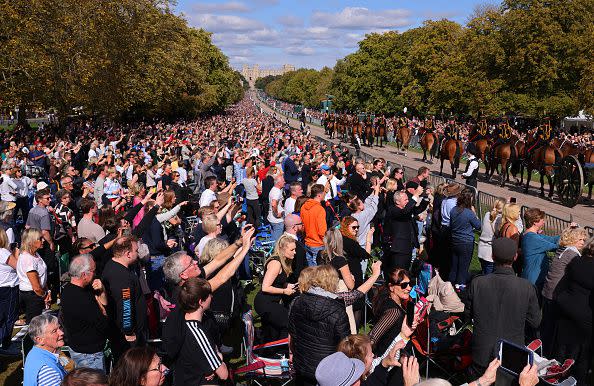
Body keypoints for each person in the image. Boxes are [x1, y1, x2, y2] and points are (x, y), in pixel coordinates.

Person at [465, 238, 541, 379]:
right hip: (511, 356)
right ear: (515, 257)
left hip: (482, 352)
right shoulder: (527, 287)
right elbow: (535, 322)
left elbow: (467, 316)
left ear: (492, 256)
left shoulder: (478, 283)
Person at [288, 265, 351, 386]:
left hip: (302, 364)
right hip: (327, 370)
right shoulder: (337, 310)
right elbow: (345, 344)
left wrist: (292, 354)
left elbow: (292, 334)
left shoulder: (297, 301)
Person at [167, 277, 229, 385]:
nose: (212, 296)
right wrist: (218, 357)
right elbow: (224, 374)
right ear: (200, 301)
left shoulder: (181, 321)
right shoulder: (196, 332)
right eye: (209, 294)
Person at [540, 227, 588, 356]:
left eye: (584, 240)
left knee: (546, 324)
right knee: (551, 327)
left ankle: (542, 347)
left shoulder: (562, 249)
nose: (583, 242)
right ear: (572, 239)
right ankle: (547, 353)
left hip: (547, 291)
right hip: (556, 293)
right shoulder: (573, 255)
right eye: (580, 239)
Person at [552, 238, 593, 385]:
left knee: (562, 348)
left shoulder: (576, 261)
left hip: (565, 309)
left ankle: (558, 375)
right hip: (584, 318)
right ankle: (577, 380)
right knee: (582, 355)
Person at [101, 235, 146, 360]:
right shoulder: (122, 277)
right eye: (136, 251)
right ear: (128, 254)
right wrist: (128, 331)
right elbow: (125, 305)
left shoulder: (112, 264)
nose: (137, 253)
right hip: (127, 336)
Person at [60, 254, 109, 371]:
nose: (95, 274)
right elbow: (104, 323)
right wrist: (101, 307)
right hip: (90, 355)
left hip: (79, 348)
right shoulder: (82, 299)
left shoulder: (68, 290)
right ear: (84, 275)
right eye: (93, 271)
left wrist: (101, 293)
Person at [254, 234, 297, 340]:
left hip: (272, 301)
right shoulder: (275, 263)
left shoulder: (283, 262)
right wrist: (284, 291)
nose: (295, 252)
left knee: (274, 329)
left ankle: (273, 348)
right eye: (292, 250)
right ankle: (281, 348)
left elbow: (277, 282)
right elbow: (265, 287)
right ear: (282, 249)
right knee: (288, 322)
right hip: (265, 302)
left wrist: (288, 285)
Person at [448, 188, 481, 286]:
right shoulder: (469, 213)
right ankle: (460, 288)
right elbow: (478, 226)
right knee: (463, 268)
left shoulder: (454, 210)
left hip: (454, 241)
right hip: (466, 243)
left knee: (454, 266)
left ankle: (450, 286)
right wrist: (475, 214)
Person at [17, 228, 50, 323]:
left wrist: (47, 290)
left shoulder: (35, 255)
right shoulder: (28, 259)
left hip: (36, 294)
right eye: (40, 238)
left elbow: (41, 276)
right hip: (32, 295)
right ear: (31, 241)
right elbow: (36, 287)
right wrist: (44, 295)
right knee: (35, 326)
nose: (43, 240)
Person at [23, 314, 67, 386]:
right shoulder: (48, 371)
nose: (62, 333)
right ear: (40, 340)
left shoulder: (35, 352)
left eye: (60, 328)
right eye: (54, 331)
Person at [521, 207, 560, 287]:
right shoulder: (532, 238)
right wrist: (571, 237)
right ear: (535, 222)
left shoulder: (533, 235)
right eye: (542, 219)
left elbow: (552, 239)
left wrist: (569, 231)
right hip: (533, 279)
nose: (544, 222)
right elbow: (556, 246)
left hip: (534, 277)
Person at [384, 190, 422, 271]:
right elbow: (404, 212)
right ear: (397, 202)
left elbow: (416, 210)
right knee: (398, 273)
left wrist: (426, 199)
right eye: (405, 200)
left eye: (408, 199)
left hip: (407, 247)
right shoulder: (393, 210)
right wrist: (415, 196)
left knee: (405, 272)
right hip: (398, 249)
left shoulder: (405, 211)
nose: (408, 201)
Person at [0, 227, 19, 355]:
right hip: (9, 287)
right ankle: (6, 344)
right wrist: (16, 252)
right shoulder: (3, 252)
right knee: (9, 317)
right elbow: (18, 265)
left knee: (3, 317)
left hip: (2, 286)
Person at [477, 198, 505, 275]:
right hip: (489, 254)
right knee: (488, 279)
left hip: (481, 250)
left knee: (484, 274)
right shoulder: (500, 220)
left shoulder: (487, 214)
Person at [301, 184, 327, 266]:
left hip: (307, 242)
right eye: (324, 193)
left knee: (311, 271)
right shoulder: (320, 209)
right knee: (319, 273)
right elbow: (322, 231)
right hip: (318, 244)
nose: (325, 195)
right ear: (319, 195)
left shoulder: (304, 206)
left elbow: (303, 226)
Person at [284, 214, 307, 281]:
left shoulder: (282, 241)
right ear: (295, 227)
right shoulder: (295, 246)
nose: (303, 225)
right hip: (295, 282)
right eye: (301, 224)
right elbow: (299, 269)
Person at [267, 173, 286, 242]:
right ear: (278, 183)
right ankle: (276, 252)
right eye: (283, 181)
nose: (285, 182)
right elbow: (274, 204)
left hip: (272, 218)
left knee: (273, 239)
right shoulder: (277, 191)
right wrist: (277, 214)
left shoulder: (274, 189)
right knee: (277, 241)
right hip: (277, 220)